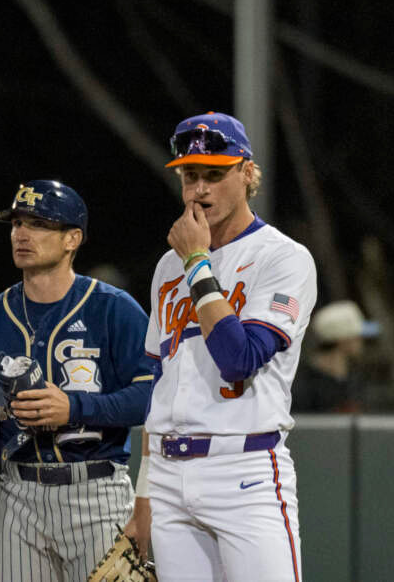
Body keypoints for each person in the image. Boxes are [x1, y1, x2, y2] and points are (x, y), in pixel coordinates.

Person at [126, 112, 318, 582]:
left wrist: (197, 261)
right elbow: (158, 386)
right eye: (190, 176)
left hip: (244, 472)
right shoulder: (166, 267)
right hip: (168, 476)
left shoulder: (283, 257)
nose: (199, 190)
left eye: (214, 175)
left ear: (247, 173)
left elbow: (239, 359)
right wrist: (144, 496)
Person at [0, 179, 154, 581]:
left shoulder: (113, 309)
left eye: (38, 224)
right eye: (17, 223)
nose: (22, 234)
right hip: (17, 493)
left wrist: (75, 407)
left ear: (73, 238)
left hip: (95, 491)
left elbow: (151, 397)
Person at [291, 300, 378, 413]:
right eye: (357, 337)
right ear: (343, 339)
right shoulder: (303, 385)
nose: (362, 342)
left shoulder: (355, 379)